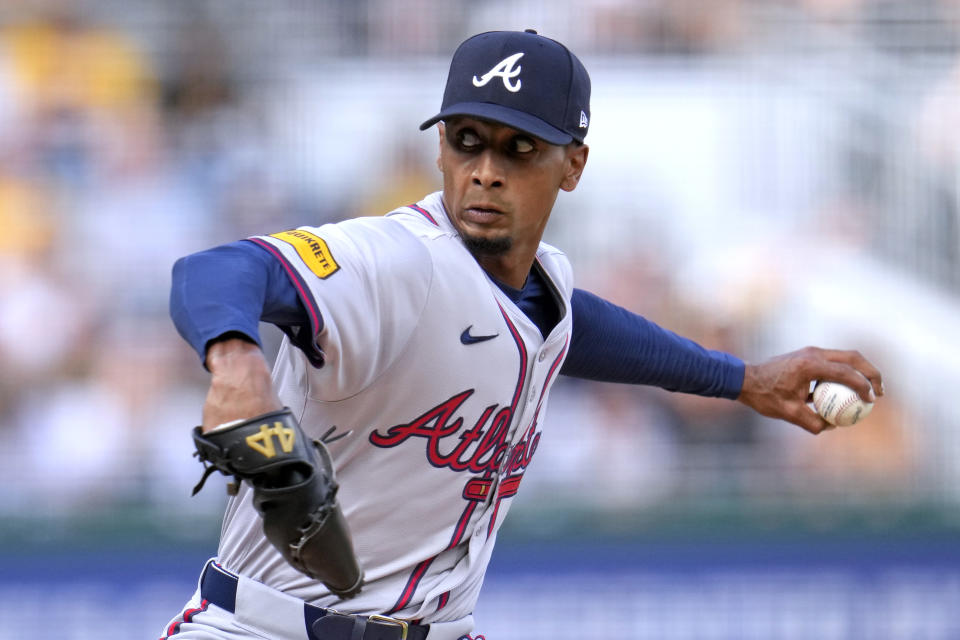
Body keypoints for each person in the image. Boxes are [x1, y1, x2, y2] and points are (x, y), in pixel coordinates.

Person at [163, 29, 883, 640]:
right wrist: (238, 367)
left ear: (573, 164)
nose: (485, 173)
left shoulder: (545, 288)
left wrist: (743, 379)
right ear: (440, 146)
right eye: (467, 142)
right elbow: (218, 270)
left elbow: (573, 325)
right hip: (267, 628)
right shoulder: (396, 261)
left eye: (518, 150)